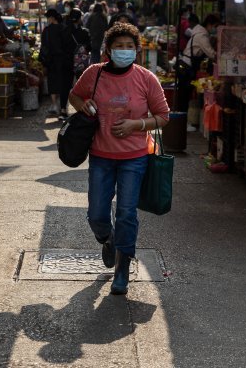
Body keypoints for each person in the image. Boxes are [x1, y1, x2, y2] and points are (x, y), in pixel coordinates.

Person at [69, 22, 170, 296]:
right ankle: (107, 239)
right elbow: (75, 96)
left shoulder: (146, 78)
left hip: (134, 157)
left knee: (127, 213)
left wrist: (136, 125)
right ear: (108, 50)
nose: (124, 51)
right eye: (118, 46)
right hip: (100, 155)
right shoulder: (94, 74)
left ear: (137, 50)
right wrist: (84, 105)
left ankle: (122, 268)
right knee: (97, 214)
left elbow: (163, 116)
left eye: (129, 46)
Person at [176, 13, 219, 113]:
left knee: (184, 94)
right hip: (187, 67)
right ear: (209, 24)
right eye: (215, 26)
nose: (215, 29)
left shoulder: (199, 33)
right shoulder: (202, 36)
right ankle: (181, 119)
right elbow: (211, 54)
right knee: (184, 95)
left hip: (185, 65)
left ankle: (182, 119)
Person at [40, 9, 75, 117]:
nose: (47, 19)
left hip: (51, 60)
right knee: (64, 83)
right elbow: (71, 46)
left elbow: (44, 46)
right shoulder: (64, 29)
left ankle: (55, 104)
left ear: (52, 18)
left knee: (52, 81)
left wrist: (44, 60)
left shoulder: (47, 30)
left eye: (48, 17)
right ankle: (62, 107)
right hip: (64, 60)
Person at [66, 8, 91, 78]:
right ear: (79, 18)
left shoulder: (64, 31)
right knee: (80, 81)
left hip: (67, 62)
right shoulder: (85, 32)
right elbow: (89, 47)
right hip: (81, 62)